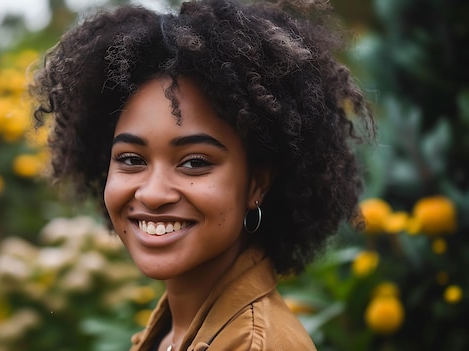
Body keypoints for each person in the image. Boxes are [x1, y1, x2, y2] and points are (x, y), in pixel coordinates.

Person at [29, 0, 374, 349]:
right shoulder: (170, 335)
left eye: (194, 162)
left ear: (257, 182)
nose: (152, 193)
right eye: (132, 159)